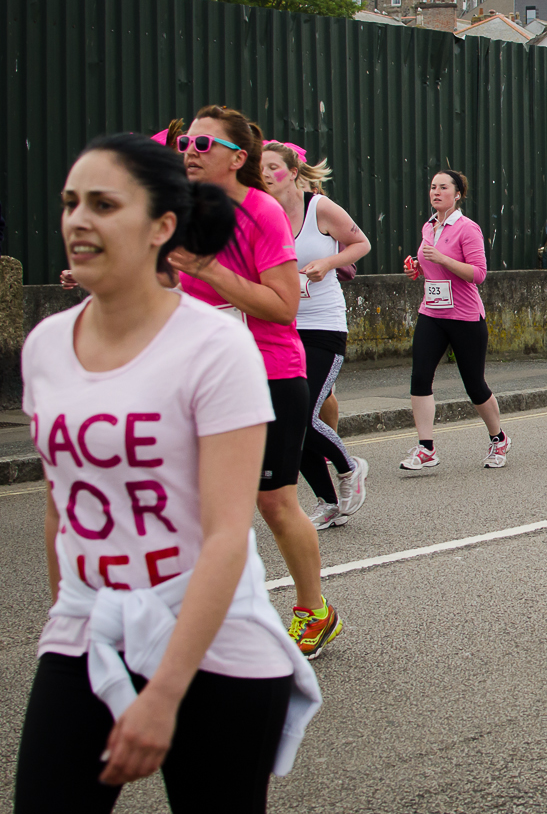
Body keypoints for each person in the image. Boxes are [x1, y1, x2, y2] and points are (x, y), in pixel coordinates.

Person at [16, 132, 321, 813]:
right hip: (90, 624)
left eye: (103, 203)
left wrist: (163, 693)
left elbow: (224, 536)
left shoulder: (214, 348)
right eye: (70, 203)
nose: (78, 221)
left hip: (211, 639)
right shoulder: (43, 349)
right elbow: (59, 508)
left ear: (163, 225)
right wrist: (67, 617)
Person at [168, 106, 341, 658]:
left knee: (273, 502)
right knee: (191, 501)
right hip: (201, 378)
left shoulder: (261, 212)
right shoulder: (186, 210)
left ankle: (314, 609)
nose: (188, 151)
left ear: (236, 157)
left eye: (201, 144)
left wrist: (209, 271)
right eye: (185, 143)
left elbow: (283, 304)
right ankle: (206, 618)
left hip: (268, 374)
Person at [261, 144, 371, 530]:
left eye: (273, 167)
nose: (265, 175)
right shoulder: (263, 215)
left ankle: (348, 467)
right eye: (260, 169)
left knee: (304, 413)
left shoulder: (319, 208)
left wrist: (328, 262)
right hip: (281, 326)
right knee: (290, 420)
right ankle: (326, 502)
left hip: (324, 325)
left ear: (292, 171)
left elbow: (361, 244)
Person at [399, 170, 511, 472]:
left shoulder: (467, 228)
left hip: (464, 316)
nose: (436, 192)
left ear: (458, 194)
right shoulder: (429, 226)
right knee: (420, 377)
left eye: (443, 187)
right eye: (433, 187)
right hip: (432, 313)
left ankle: (498, 438)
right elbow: (431, 265)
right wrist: (418, 269)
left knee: (474, 384)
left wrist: (443, 260)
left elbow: (479, 274)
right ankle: (426, 448)